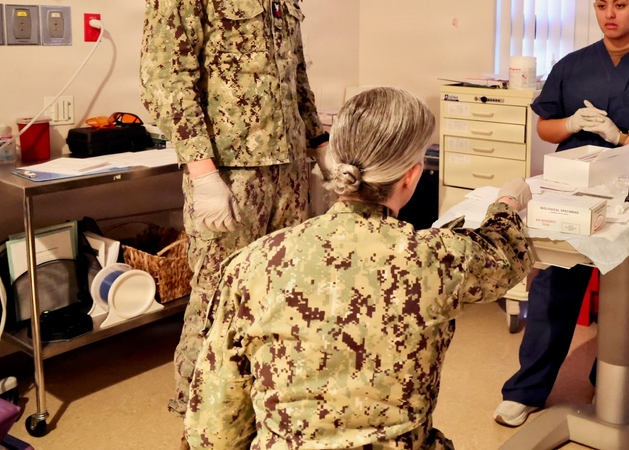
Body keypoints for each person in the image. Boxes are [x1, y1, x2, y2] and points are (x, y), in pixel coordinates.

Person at [184, 87, 536, 449]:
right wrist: (507, 202)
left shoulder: (254, 263)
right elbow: (507, 253)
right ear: (412, 176)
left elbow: (214, 426)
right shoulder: (437, 260)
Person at [139, 0, 333, 427]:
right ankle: (198, 420)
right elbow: (165, 78)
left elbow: (294, 69)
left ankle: (264, 410)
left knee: (282, 293)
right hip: (227, 176)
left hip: (288, 172)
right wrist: (202, 174)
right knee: (216, 299)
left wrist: (320, 148)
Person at [494, 0, 629, 427]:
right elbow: (545, 125)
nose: (610, 13)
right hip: (574, 193)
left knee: (627, 298)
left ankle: (608, 383)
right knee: (552, 291)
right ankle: (526, 390)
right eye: (601, 4)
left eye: (620, 4)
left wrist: (621, 135)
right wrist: (572, 126)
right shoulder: (573, 64)